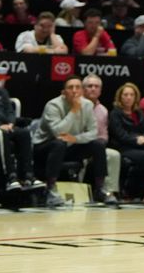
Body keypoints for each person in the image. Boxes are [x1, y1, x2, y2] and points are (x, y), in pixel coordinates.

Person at [32, 76, 117, 207]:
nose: (74, 91)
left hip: (71, 145)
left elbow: (93, 132)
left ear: (82, 91)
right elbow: (57, 133)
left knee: (98, 144)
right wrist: (73, 110)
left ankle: (100, 189)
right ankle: (51, 189)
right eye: (70, 88)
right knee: (59, 143)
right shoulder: (53, 105)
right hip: (45, 147)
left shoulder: (87, 105)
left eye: (78, 87)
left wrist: (76, 139)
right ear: (63, 92)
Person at [0, 56, 42, 191]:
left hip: (6, 126)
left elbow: (10, 111)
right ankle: (10, 177)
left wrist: (11, 123)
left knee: (23, 132)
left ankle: (28, 176)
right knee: (0, 133)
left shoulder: (1, 91)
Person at [82, 74, 125, 203]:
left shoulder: (103, 111)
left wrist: (99, 145)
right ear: (83, 89)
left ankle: (107, 191)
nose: (93, 89)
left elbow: (104, 135)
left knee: (114, 155)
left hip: (98, 148)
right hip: (79, 147)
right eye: (90, 86)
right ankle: (81, 193)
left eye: (96, 86)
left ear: (100, 91)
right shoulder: (76, 106)